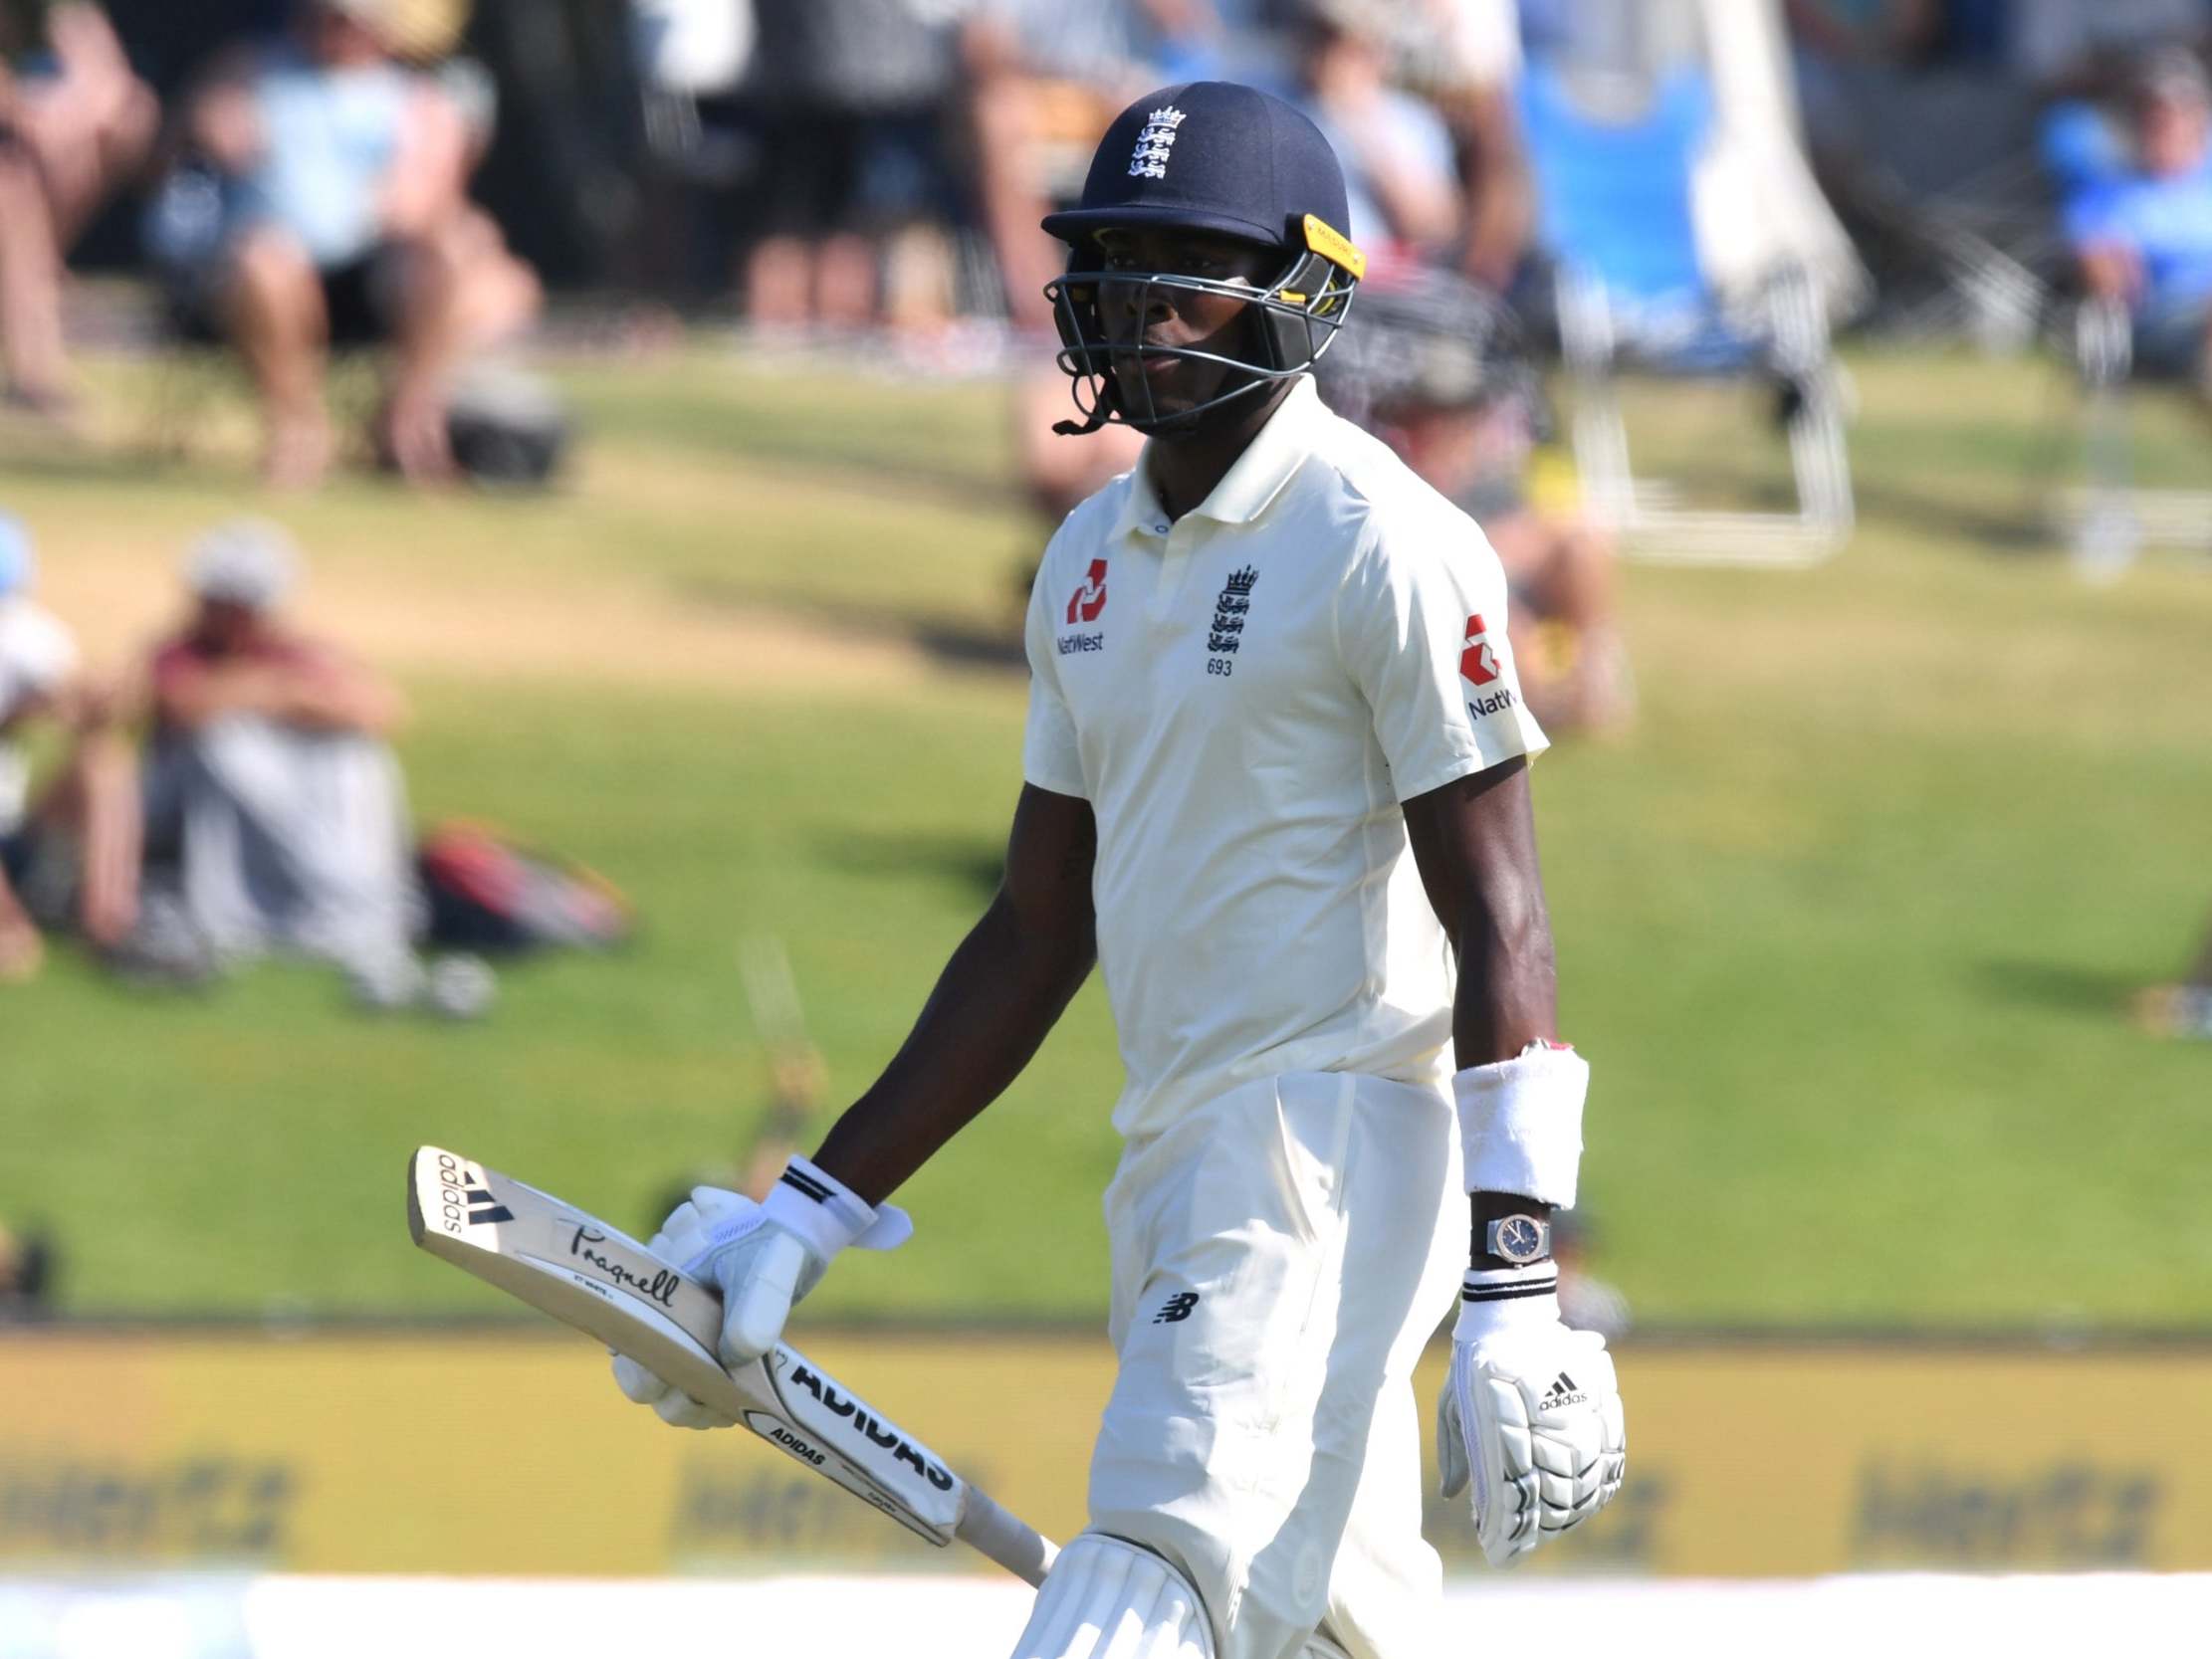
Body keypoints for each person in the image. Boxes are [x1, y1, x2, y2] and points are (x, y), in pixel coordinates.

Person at [612, 82, 1626, 1658]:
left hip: (1329, 1138)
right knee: (1318, 1625)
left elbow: (1498, 911)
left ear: (1304, 291)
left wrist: (1516, 1274)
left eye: (1187, 264)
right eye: (1115, 260)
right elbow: (1033, 929)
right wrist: (806, 1209)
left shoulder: (1385, 539)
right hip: (1174, 1143)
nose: (1140, 305)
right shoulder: (1088, 557)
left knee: (1150, 1560)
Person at [167, 0, 540, 487]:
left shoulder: (418, 101)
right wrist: (205, 124)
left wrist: (399, 205)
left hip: (372, 275)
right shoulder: (247, 73)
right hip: (264, 275)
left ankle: (407, 424)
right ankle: (298, 431)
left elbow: (429, 200)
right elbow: (170, 157)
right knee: (264, 259)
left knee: (458, 252)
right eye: (324, 17)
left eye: (349, 20)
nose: (334, 30)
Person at [130, 518, 425, 1001]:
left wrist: (291, 698)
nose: (200, 603)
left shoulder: (295, 652)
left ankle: (345, 894)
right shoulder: (180, 651)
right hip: (175, 810)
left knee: (355, 754)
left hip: (290, 807)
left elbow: (383, 709)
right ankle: (275, 908)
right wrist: (273, 692)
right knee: (227, 746)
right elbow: (183, 707)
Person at [0, 1, 156, 422]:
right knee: (13, 197)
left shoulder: (66, 11)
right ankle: (37, 373)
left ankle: (37, 369)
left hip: (37, 159)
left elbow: (109, 84)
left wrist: (63, 121)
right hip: (17, 161)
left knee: (131, 113)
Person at [0, 512, 137, 979]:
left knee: (104, 764)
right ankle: (8, 928)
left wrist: (97, 702)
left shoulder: (30, 636)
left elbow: (87, 717)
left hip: (15, 835)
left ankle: (108, 927)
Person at [2066, 48, 2212, 395]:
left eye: (2176, 114)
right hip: (2151, 326)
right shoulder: (2108, 194)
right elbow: (2103, 272)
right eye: (2153, 115)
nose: (2164, 125)